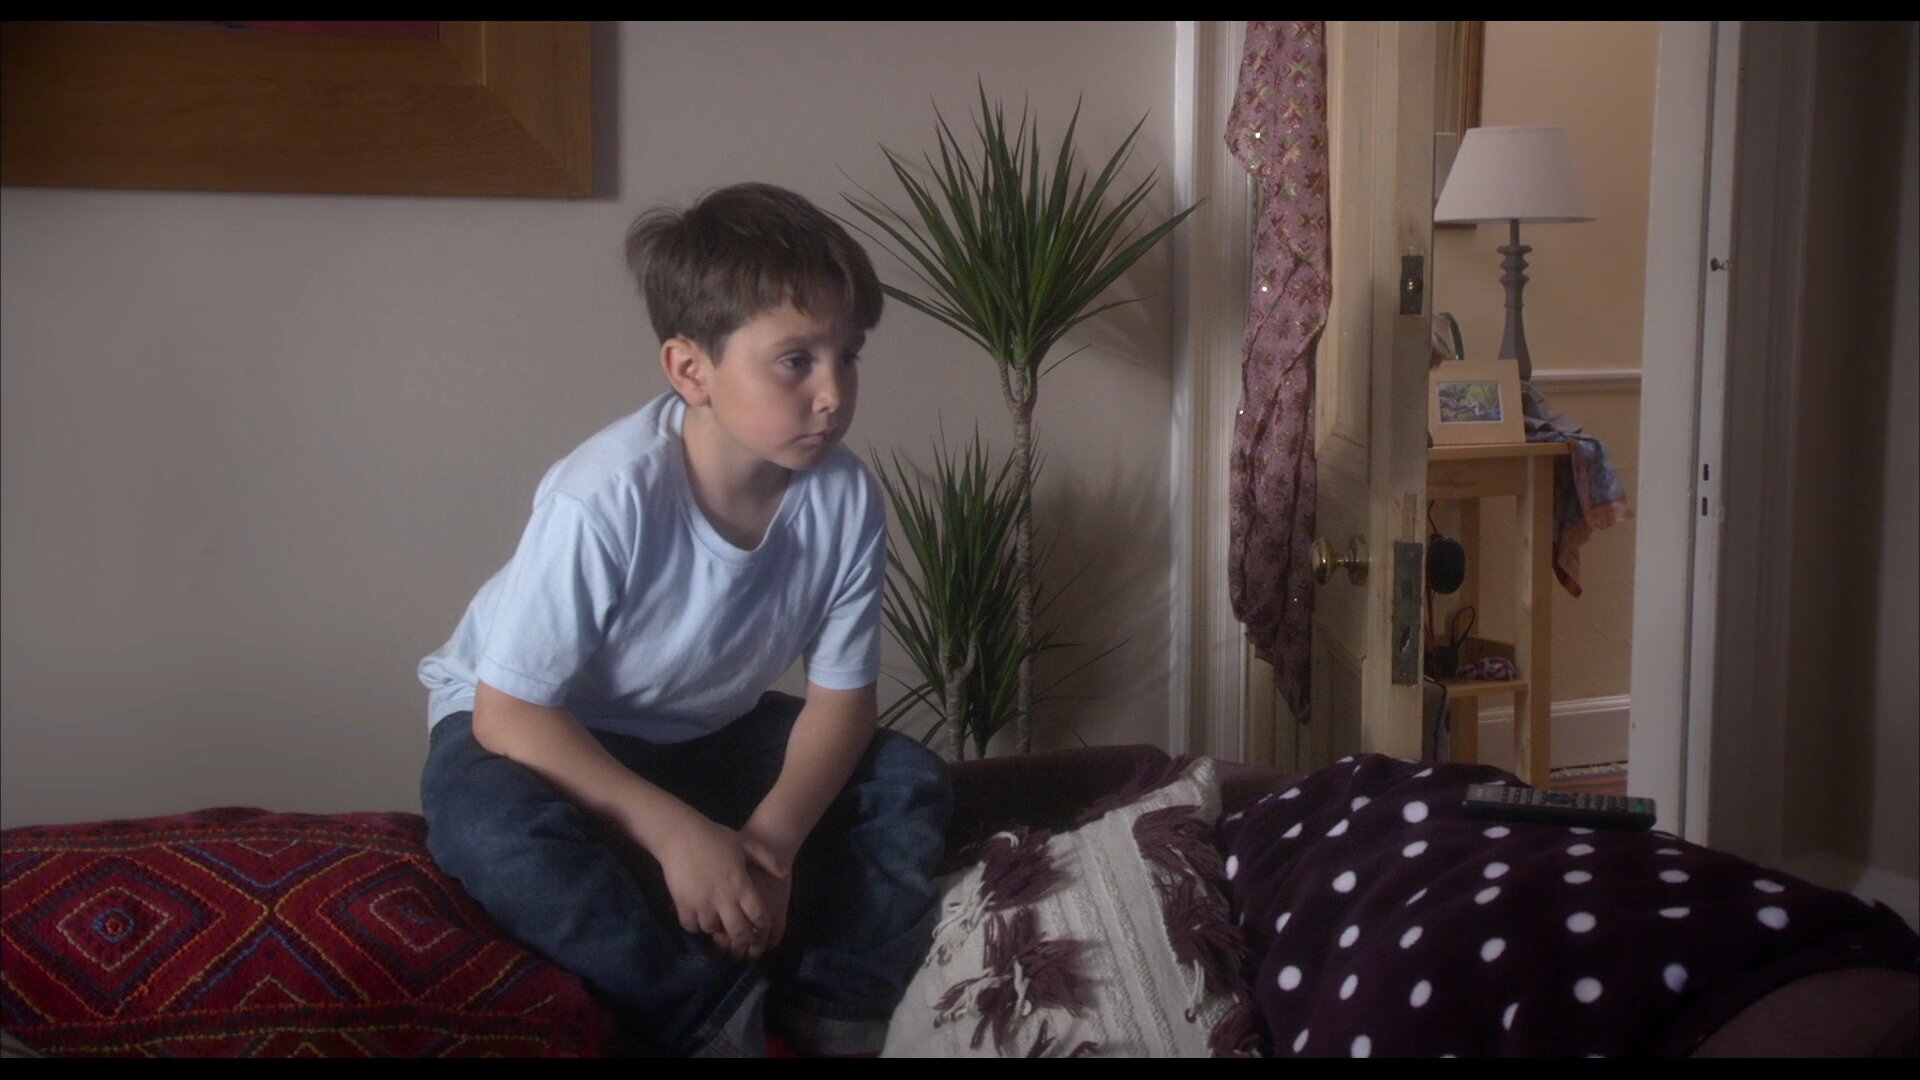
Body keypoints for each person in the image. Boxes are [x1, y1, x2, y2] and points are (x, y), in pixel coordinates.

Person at [416, 182, 953, 1057]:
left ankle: (840, 1014)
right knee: (492, 830)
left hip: (701, 730)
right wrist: (675, 836)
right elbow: (508, 713)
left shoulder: (846, 496)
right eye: (795, 361)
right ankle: (706, 1020)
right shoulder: (605, 495)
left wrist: (770, 846)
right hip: (534, 726)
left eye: (848, 357)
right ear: (691, 371)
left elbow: (842, 704)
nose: (833, 393)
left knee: (905, 780)